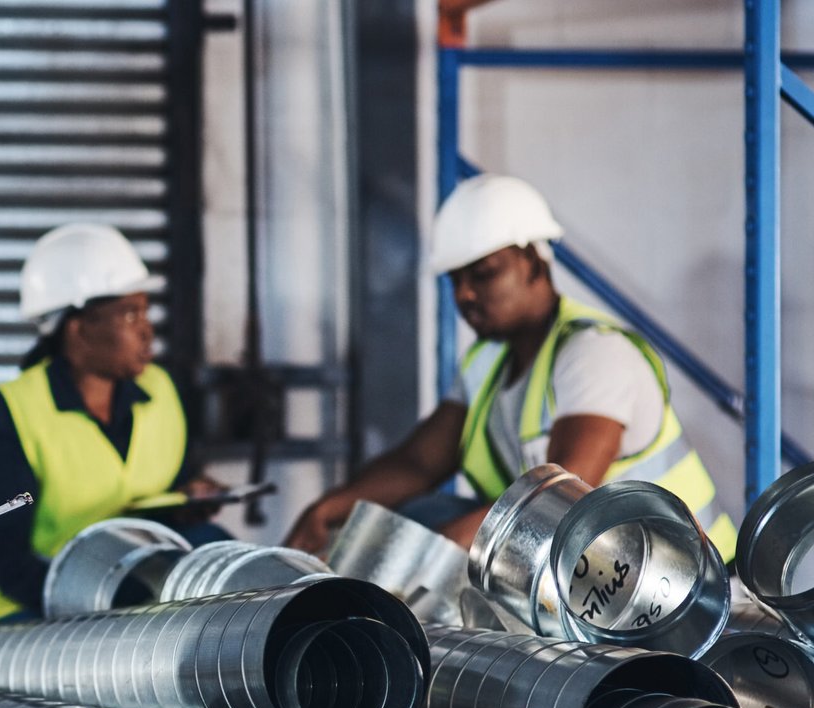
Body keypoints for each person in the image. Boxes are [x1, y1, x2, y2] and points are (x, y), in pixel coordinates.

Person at [286, 173, 735, 557]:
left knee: (437, 538)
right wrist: (328, 509)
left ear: (534, 263)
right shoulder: (487, 361)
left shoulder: (595, 353)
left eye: (483, 275)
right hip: (603, 577)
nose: (464, 295)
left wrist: (419, 559)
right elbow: (418, 464)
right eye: (456, 280)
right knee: (419, 513)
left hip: (686, 587)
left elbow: (564, 495)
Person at [0, 223, 223, 634]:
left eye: (146, 311)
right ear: (80, 329)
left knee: (211, 540)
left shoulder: (159, 390)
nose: (147, 330)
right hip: (9, 608)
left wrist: (192, 497)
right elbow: (4, 559)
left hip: (116, 582)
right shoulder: (15, 409)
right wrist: (100, 606)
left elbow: (164, 490)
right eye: (130, 314)